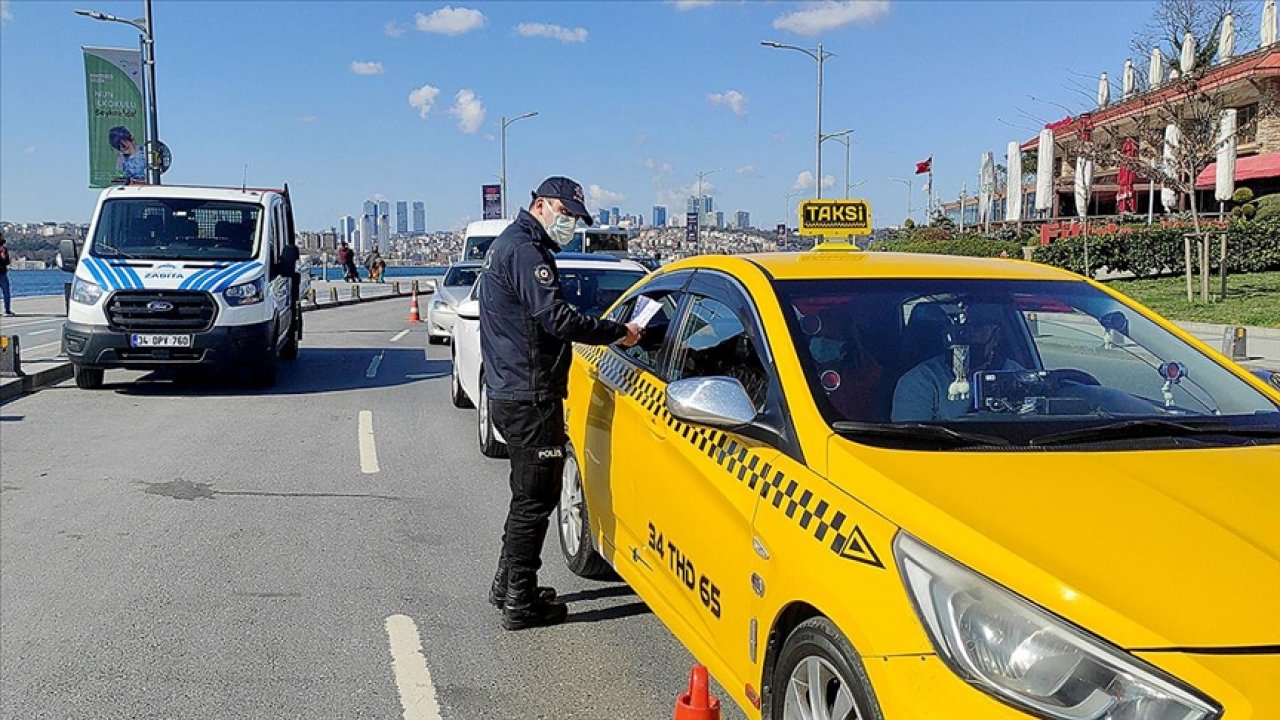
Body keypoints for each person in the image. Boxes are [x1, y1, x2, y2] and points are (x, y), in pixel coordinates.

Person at [479, 176, 643, 631]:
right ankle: (520, 600)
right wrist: (618, 333)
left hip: (512, 390)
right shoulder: (526, 252)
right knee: (537, 498)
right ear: (543, 205)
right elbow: (555, 318)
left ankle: (507, 583)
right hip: (531, 395)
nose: (570, 224)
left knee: (525, 495)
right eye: (566, 215)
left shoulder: (508, 245)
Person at [891, 304, 1021, 422]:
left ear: (996, 337)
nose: (969, 336)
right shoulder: (921, 380)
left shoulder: (1015, 376)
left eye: (977, 328)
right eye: (962, 329)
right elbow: (910, 441)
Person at [0, 233, 13, 316]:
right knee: (6, 292)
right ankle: (7, 310)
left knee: (6, 292)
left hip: (2, 272)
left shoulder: (3, 249)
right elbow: (7, 261)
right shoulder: (3, 249)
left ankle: (7, 310)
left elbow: (7, 261)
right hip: (2, 273)